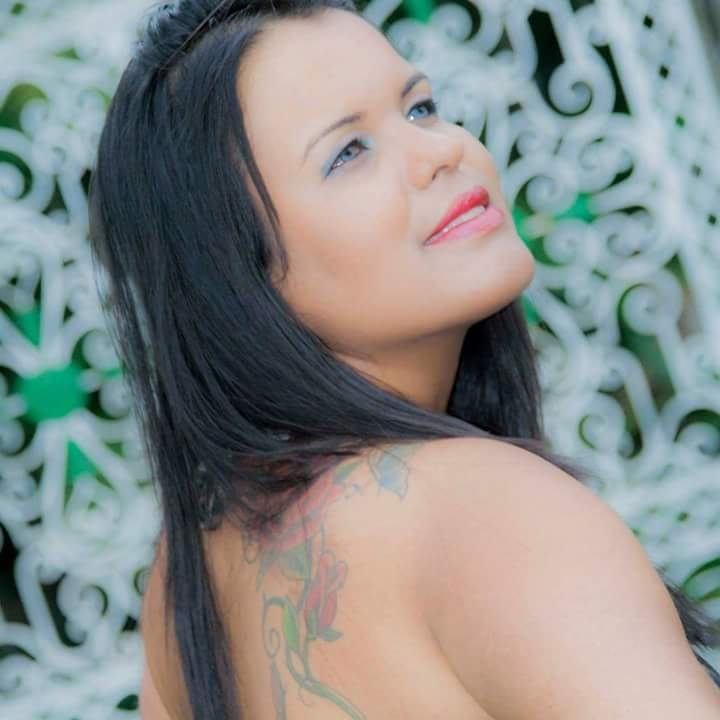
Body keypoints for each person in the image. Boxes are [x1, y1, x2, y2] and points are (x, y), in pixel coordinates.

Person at [88, 0, 720, 718]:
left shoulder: (188, 578)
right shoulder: (490, 516)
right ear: (234, 277)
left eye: (420, 108)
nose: (442, 150)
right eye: (348, 152)